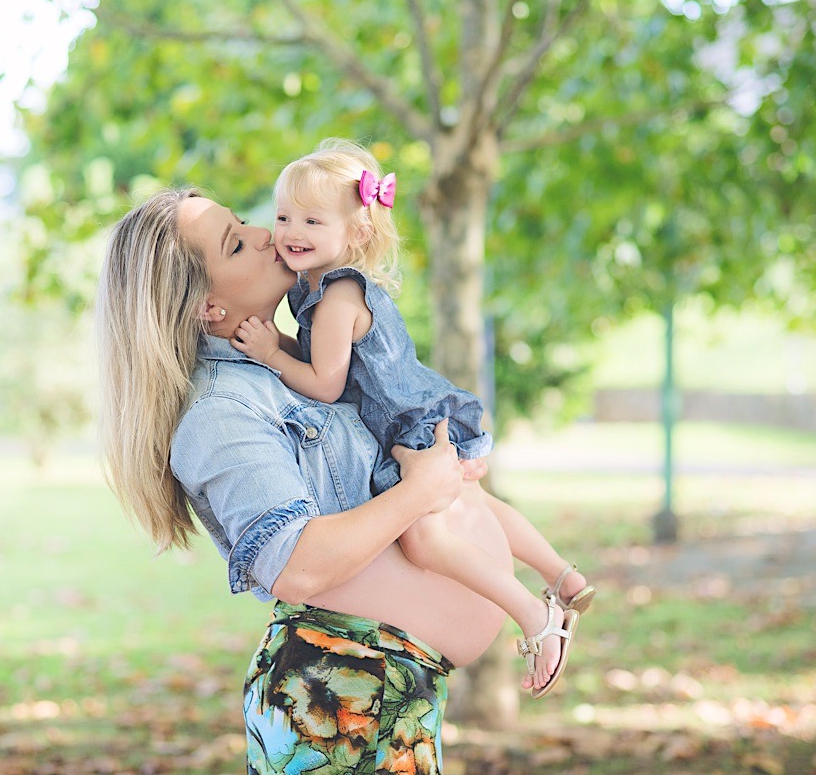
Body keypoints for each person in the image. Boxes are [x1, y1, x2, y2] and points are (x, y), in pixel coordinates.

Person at [96, 186, 515, 774]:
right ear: (205, 306)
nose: (267, 234)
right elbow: (295, 564)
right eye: (236, 243)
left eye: (244, 221)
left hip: (385, 692)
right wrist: (419, 492)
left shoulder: (298, 367)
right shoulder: (221, 413)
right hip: (335, 703)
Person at [230, 139, 596, 699]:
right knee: (482, 505)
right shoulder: (331, 289)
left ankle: (534, 615)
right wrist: (277, 340)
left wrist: (270, 354)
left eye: (311, 219)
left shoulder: (333, 300)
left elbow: (324, 384)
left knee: (426, 541)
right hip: (424, 411)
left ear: (356, 232)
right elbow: (326, 363)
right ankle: (562, 576)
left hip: (409, 430)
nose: (290, 231)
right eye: (282, 216)